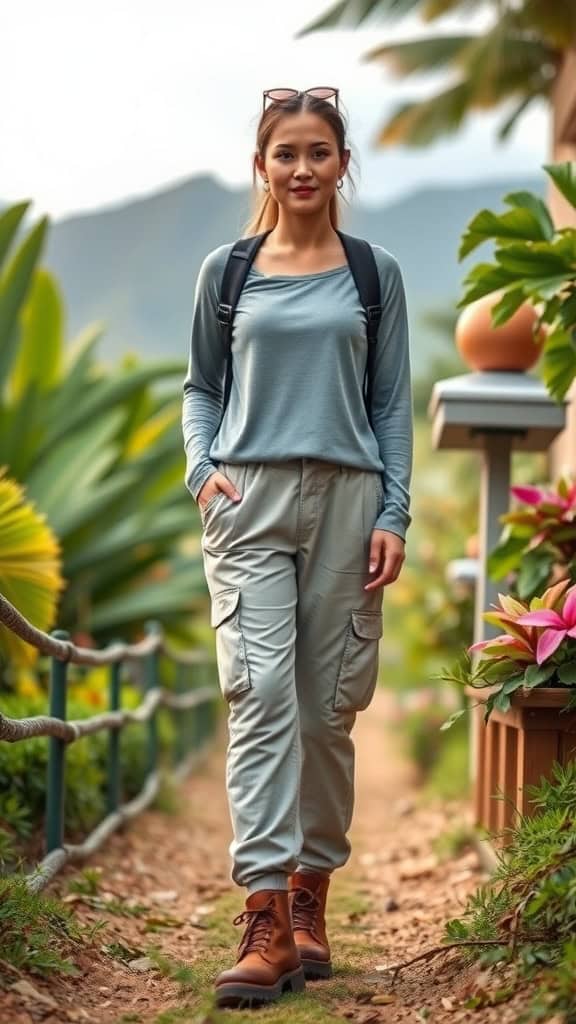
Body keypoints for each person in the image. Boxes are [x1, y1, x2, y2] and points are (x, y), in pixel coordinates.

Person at [181, 85, 413, 1009]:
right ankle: (267, 915)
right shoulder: (228, 272)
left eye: (320, 151)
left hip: (351, 502)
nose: (304, 167)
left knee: (327, 712)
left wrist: (395, 513)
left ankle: (313, 900)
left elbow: (391, 400)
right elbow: (200, 386)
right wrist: (204, 472)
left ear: (341, 164)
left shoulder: (373, 273)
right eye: (287, 153)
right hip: (250, 499)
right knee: (262, 694)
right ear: (263, 166)